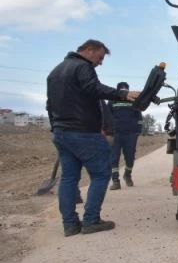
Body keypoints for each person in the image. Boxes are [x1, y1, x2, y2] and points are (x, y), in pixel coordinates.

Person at [46, 39, 140, 236]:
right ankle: (91, 220)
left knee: (69, 178)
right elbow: (94, 88)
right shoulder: (83, 67)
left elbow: (49, 105)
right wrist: (123, 94)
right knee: (101, 174)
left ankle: (70, 225)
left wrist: (56, 128)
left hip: (61, 133)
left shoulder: (55, 71)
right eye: (100, 57)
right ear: (89, 50)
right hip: (84, 132)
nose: (100, 62)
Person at [108, 82, 143, 190]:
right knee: (114, 158)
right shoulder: (112, 101)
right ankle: (115, 181)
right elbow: (107, 116)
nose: (124, 91)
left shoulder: (133, 101)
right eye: (121, 90)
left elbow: (139, 117)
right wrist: (108, 132)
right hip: (115, 134)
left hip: (131, 134)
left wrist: (138, 131)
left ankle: (127, 175)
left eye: (125, 89)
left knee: (130, 157)